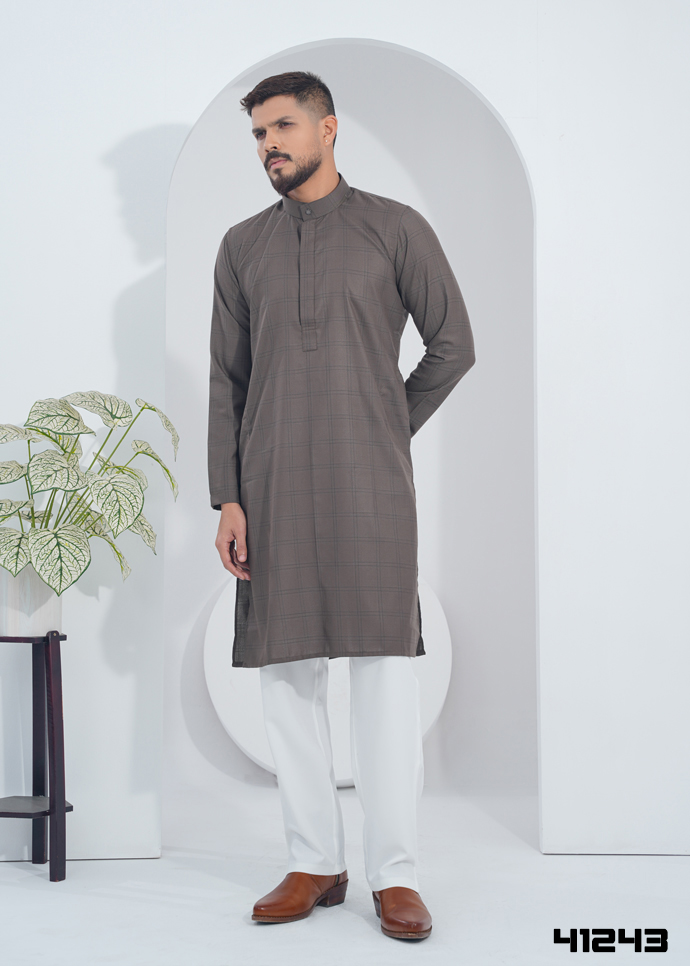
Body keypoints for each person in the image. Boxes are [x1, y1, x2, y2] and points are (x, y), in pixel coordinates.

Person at [208, 70, 475, 941]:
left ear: (328, 129)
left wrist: (387, 420)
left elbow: (453, 344)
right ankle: (314, 861)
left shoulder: (395, 228)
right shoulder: (242, 246)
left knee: (385, 678)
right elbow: (227, 380)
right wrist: (228, 496)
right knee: (287, 678)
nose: (269, 145)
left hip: (370, 482)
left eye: (283, 127)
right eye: (259, 133)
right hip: (271, 483)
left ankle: (396, 874)